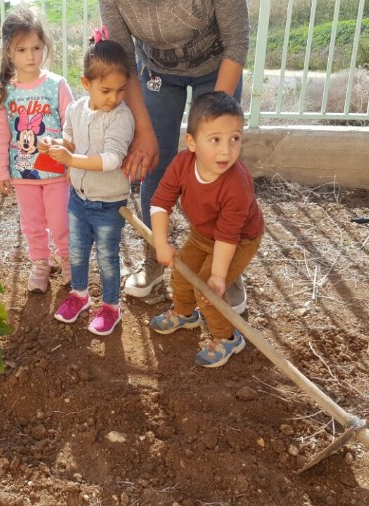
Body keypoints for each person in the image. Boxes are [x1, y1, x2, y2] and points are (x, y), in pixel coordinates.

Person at [99, 0, 250, 312]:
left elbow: (237, 42)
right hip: (156, 72)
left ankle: (225, 270)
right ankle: (155, 256)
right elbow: (125, 61)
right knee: (154, 163)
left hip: (216, 65)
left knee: (218, 168)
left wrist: (214, 126)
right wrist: (144, 132)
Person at [148, 91, 264, 368]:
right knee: (181, 274)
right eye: (215, 140)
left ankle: (228, 338)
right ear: (192, 142)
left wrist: (218, 276)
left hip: (239, 240)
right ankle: (185, 314)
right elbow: (160, 203)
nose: (226, 150)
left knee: (208, 291)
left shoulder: (237, 183)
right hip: (203, 234)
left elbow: (228, 235)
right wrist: (161, 243)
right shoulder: (182, 164)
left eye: (235, 138)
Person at [42, 32, 134, 336]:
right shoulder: (75, 110)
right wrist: (54, 144)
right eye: (106, 90)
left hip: (109, 205)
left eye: (121, 90)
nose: (114, 98)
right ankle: (79, 297)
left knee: (108, 259)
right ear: (86, 83)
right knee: (77, 252)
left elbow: (110, 160)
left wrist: (69, 160)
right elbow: (71, 141)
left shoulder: (121, 117)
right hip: (78, 199)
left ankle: (110, 307)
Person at [0, 8, 74, 294]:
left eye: (36, 47)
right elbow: (0, 134)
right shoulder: (5, 91)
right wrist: (1, 171)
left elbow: (71, 126)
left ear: (45, 47)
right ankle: (40, 263)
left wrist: (69, 158)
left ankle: (68, 260)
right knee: (33, 224)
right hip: (23, 173)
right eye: (22, 49)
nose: (31, 55)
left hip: (55, 172)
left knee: (61, 221)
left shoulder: (57, 85)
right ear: (8, 52)